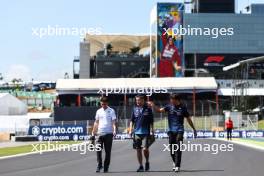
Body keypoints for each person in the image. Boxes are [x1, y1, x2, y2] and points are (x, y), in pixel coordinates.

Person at [149, 94, 196, 172]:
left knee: (178, 148)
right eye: (170, 100)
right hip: (171, 131)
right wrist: (153, 105)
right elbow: (159, 110)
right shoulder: (169, 107)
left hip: (180, 130)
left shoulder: (183, 108)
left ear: (177, 100)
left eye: (172, 100)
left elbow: (188, 119)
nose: (171, 101)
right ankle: (174, 162)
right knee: (172, 149)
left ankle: (177, 166)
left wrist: (194, 129)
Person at [129, 95, 154, 172]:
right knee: (138, 149)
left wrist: (153, 131)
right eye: (136, 100)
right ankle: (141, 166)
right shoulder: (134, 109)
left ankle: (147, 161)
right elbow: (131, 121)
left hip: (146, 132)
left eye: (139, 100)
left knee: (145, 149)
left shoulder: (148, 109)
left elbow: (151, 121)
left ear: (143, 100)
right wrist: (130, 130)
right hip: (136, 132)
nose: (138, 102)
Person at [92, 96, 117, 173]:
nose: (103, 105)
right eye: (102, 104)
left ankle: (106, 166)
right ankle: (99, 165)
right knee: (98, 150)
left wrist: (114, 130)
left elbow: (113, 122)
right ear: (100, 103)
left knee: (107, 151)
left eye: (105, 104)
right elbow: (96, 122)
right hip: (99, 133)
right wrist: (93, 132)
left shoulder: (111, 111)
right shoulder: (98, 111)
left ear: (107, 103)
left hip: (109, 134)